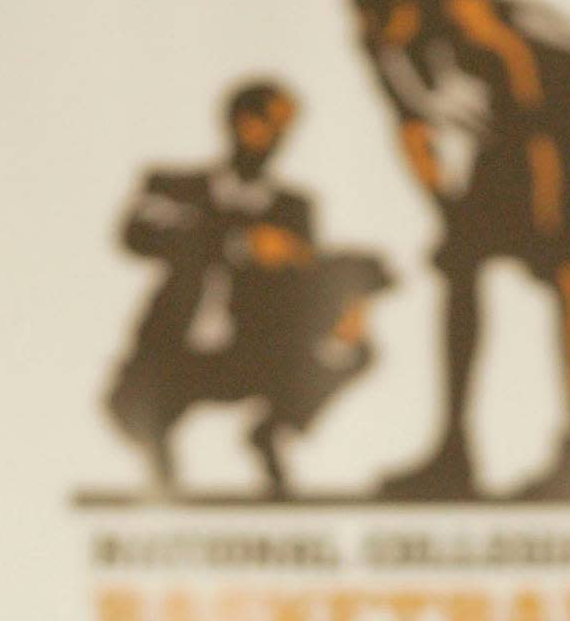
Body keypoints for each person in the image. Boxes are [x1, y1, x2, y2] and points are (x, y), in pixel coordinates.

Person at [352, 0, 570, 500]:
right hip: (512, 128)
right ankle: (454, 450)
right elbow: (412, 134)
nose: (383, 32)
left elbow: (532, 102)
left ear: (408, 5)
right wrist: (446, 207)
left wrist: (549, 205)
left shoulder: (463, 15)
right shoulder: (379, 46)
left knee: (563, 268)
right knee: (460, 263)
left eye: (389, 19)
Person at [106, 80, 393, 497]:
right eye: (269, 124)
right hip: (175, 348)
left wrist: (351, 298)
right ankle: (160, 468)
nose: (277, 139)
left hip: (251, 349)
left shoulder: (293, 206)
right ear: (241, 122)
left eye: (285, 128)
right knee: (126, 409)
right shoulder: (172, 186)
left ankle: (273, 431)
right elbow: (135, 236)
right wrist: (237, 242)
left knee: (352, 350)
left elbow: (306, 281)